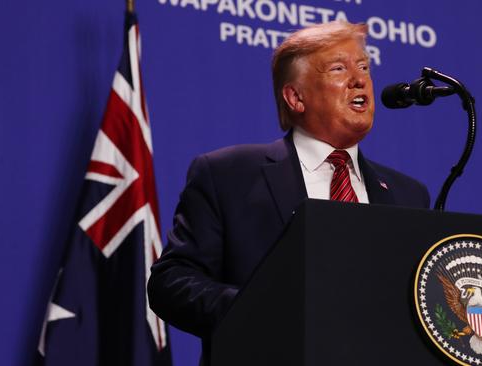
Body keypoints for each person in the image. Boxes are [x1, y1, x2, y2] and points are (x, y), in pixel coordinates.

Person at [147, 20, 430, 362]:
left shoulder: (408, 195)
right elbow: (172, 283)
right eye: (339, 68)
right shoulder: (228, 174)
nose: (360, 80)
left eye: (364, 67)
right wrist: (261, 309)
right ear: (295, 97)